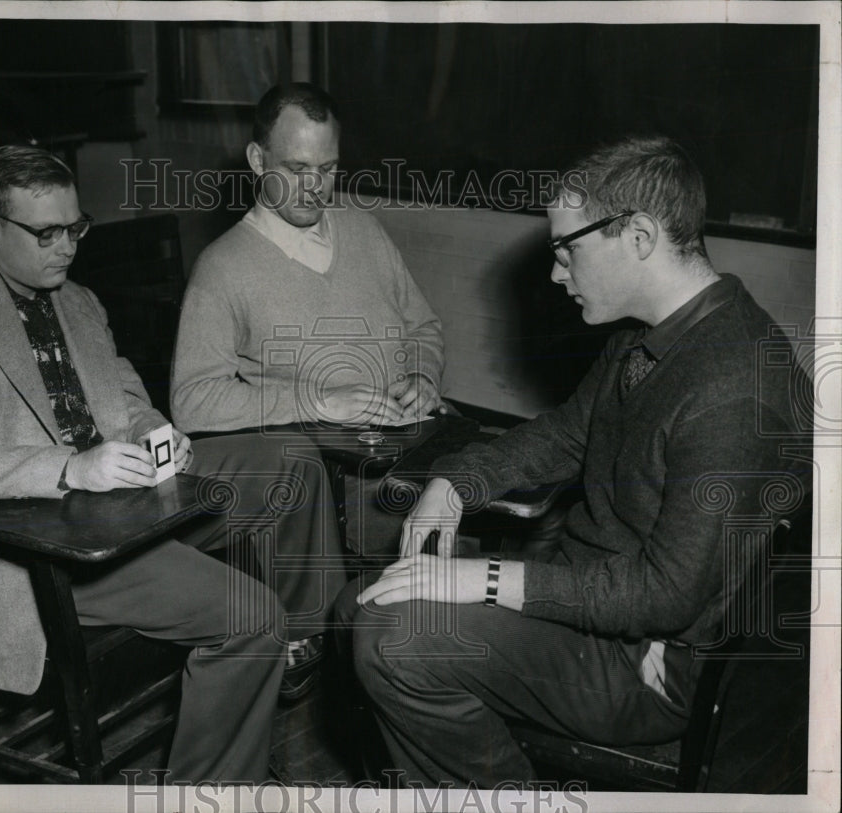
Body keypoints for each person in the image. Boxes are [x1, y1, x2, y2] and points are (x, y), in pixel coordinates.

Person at [335, 136, 810, 787]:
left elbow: (667, 594)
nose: (557, 272)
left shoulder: (735, 384)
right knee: (356, 603)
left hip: (650, 659)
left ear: (639, 236)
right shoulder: (645, 334)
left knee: (393, 635)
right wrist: (452, 482)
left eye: (569, 249)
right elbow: (563, 435)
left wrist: (486, 577)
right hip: (592, 597)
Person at [0, 145, 342, 783]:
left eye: (76, 228)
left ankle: (292, 652)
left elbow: (126, 397)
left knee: (291, 461)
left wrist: (156, 428)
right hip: (47, 550)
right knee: (249, 616)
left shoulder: (78, 301)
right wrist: (71, 469)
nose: (67, 247)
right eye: (46, 232)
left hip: (129, 506)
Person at [171, 82, 445, 553]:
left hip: (420, 444)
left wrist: (422, 372)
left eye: (328, 169)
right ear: (258, 161)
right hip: (341, 485)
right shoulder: (222, 268)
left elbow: (424, 327)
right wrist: (319, 401)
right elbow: (192, 401)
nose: (314, 187)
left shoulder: (363, 228)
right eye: (297, 169)